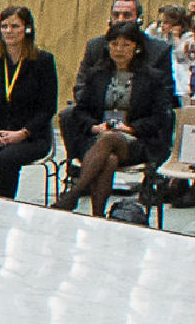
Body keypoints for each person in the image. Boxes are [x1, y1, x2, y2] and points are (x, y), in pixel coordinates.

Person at [61, 20, 173, 210]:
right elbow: (80, 110)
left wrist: (130, 128)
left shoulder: (152, 77)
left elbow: (159, 116)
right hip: (97, 138)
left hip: (137, 141)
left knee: (110, 138)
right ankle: (97, 216)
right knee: (109, 159)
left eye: (126, 45)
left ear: (137, 48)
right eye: (114, 44)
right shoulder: (96, 75)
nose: (119, 49)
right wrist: (94, 127)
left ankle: (74, 194)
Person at [0, 5, 59, 199]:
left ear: (27, 29)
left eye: (15, 26)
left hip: (30, 136)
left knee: (7, 158)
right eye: (4, 26)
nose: (9, 31)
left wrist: (23, 133)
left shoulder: (43, 61)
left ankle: (3, 205)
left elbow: (47, 108)